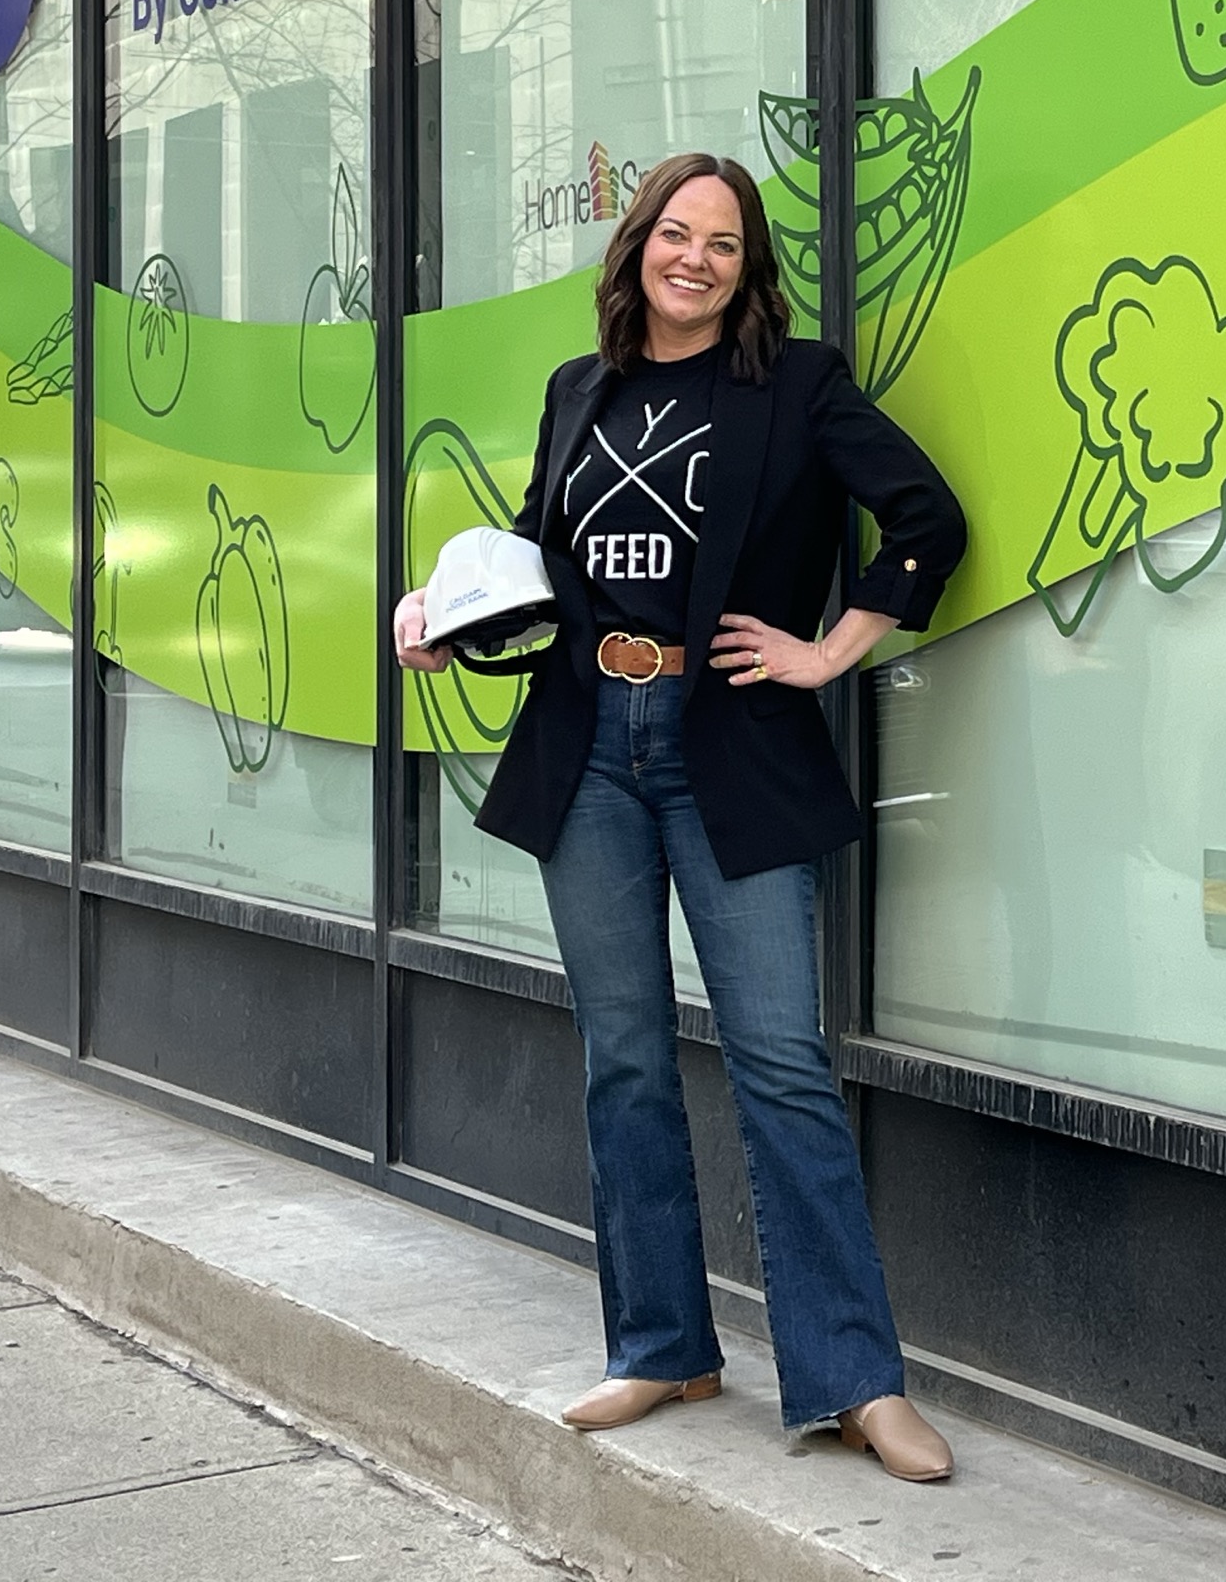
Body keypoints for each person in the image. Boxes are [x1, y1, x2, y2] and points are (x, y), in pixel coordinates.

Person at [394, 151, 964, 1483]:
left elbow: (926, 519)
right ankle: (661, 1346)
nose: (695, 257)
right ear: (638, 244)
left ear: (745, 268)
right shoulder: (577, 392)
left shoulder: (799, 385)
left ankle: (855, 1379)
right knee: (627, 1060)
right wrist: (439, 618)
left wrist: (829, 651)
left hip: (731, 750)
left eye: (723, 242)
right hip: (587, 746)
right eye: (676, 232)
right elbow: (539, 565)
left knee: (779, 1062)